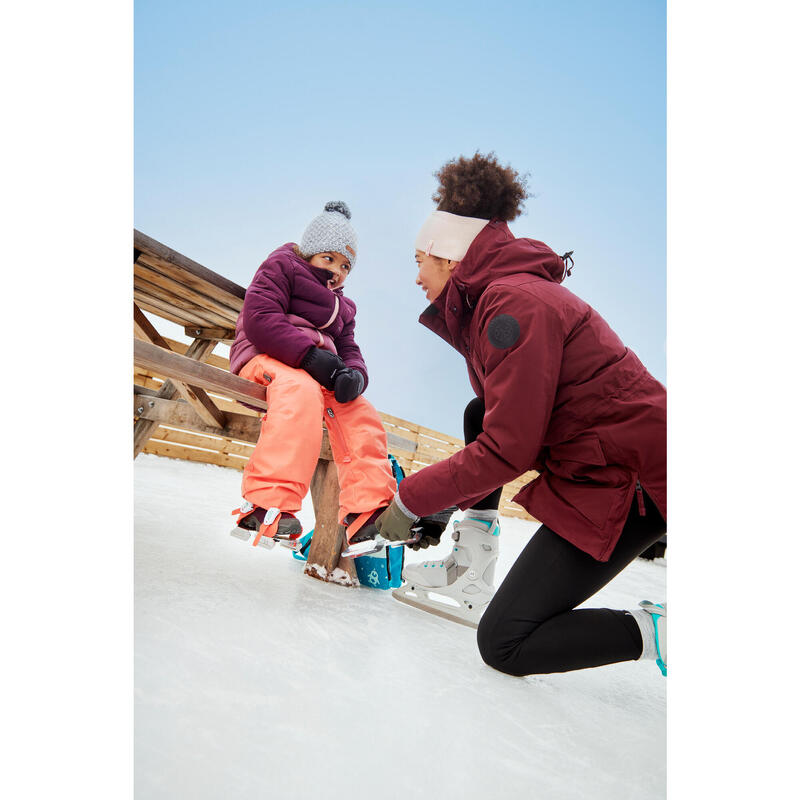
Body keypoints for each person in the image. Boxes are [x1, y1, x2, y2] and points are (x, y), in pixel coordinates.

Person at [375, 153, 668, 676]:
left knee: (506, 644)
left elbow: (510, 448)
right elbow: (502, 423)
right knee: (480, 410)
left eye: (420, 259)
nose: (415, 274)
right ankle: (472, 562)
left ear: (448, 257)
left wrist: (410, 499)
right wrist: (438, 507)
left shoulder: (513, 306)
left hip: (638, 476)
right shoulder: (503, 299)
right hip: (602, 469)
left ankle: (662, 633)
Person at [228, 201, 397, 557]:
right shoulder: (282, 266)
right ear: (309, 252)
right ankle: (265, 506)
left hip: (317, 372)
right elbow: (260, 317)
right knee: (300, 391)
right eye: (329, 259)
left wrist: (354, 375)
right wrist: (309, 356)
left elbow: (349, 346)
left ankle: (367, 512)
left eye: (346, 265)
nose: (337, 270)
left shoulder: (343, 307)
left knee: (360, 412)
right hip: (266, 357)